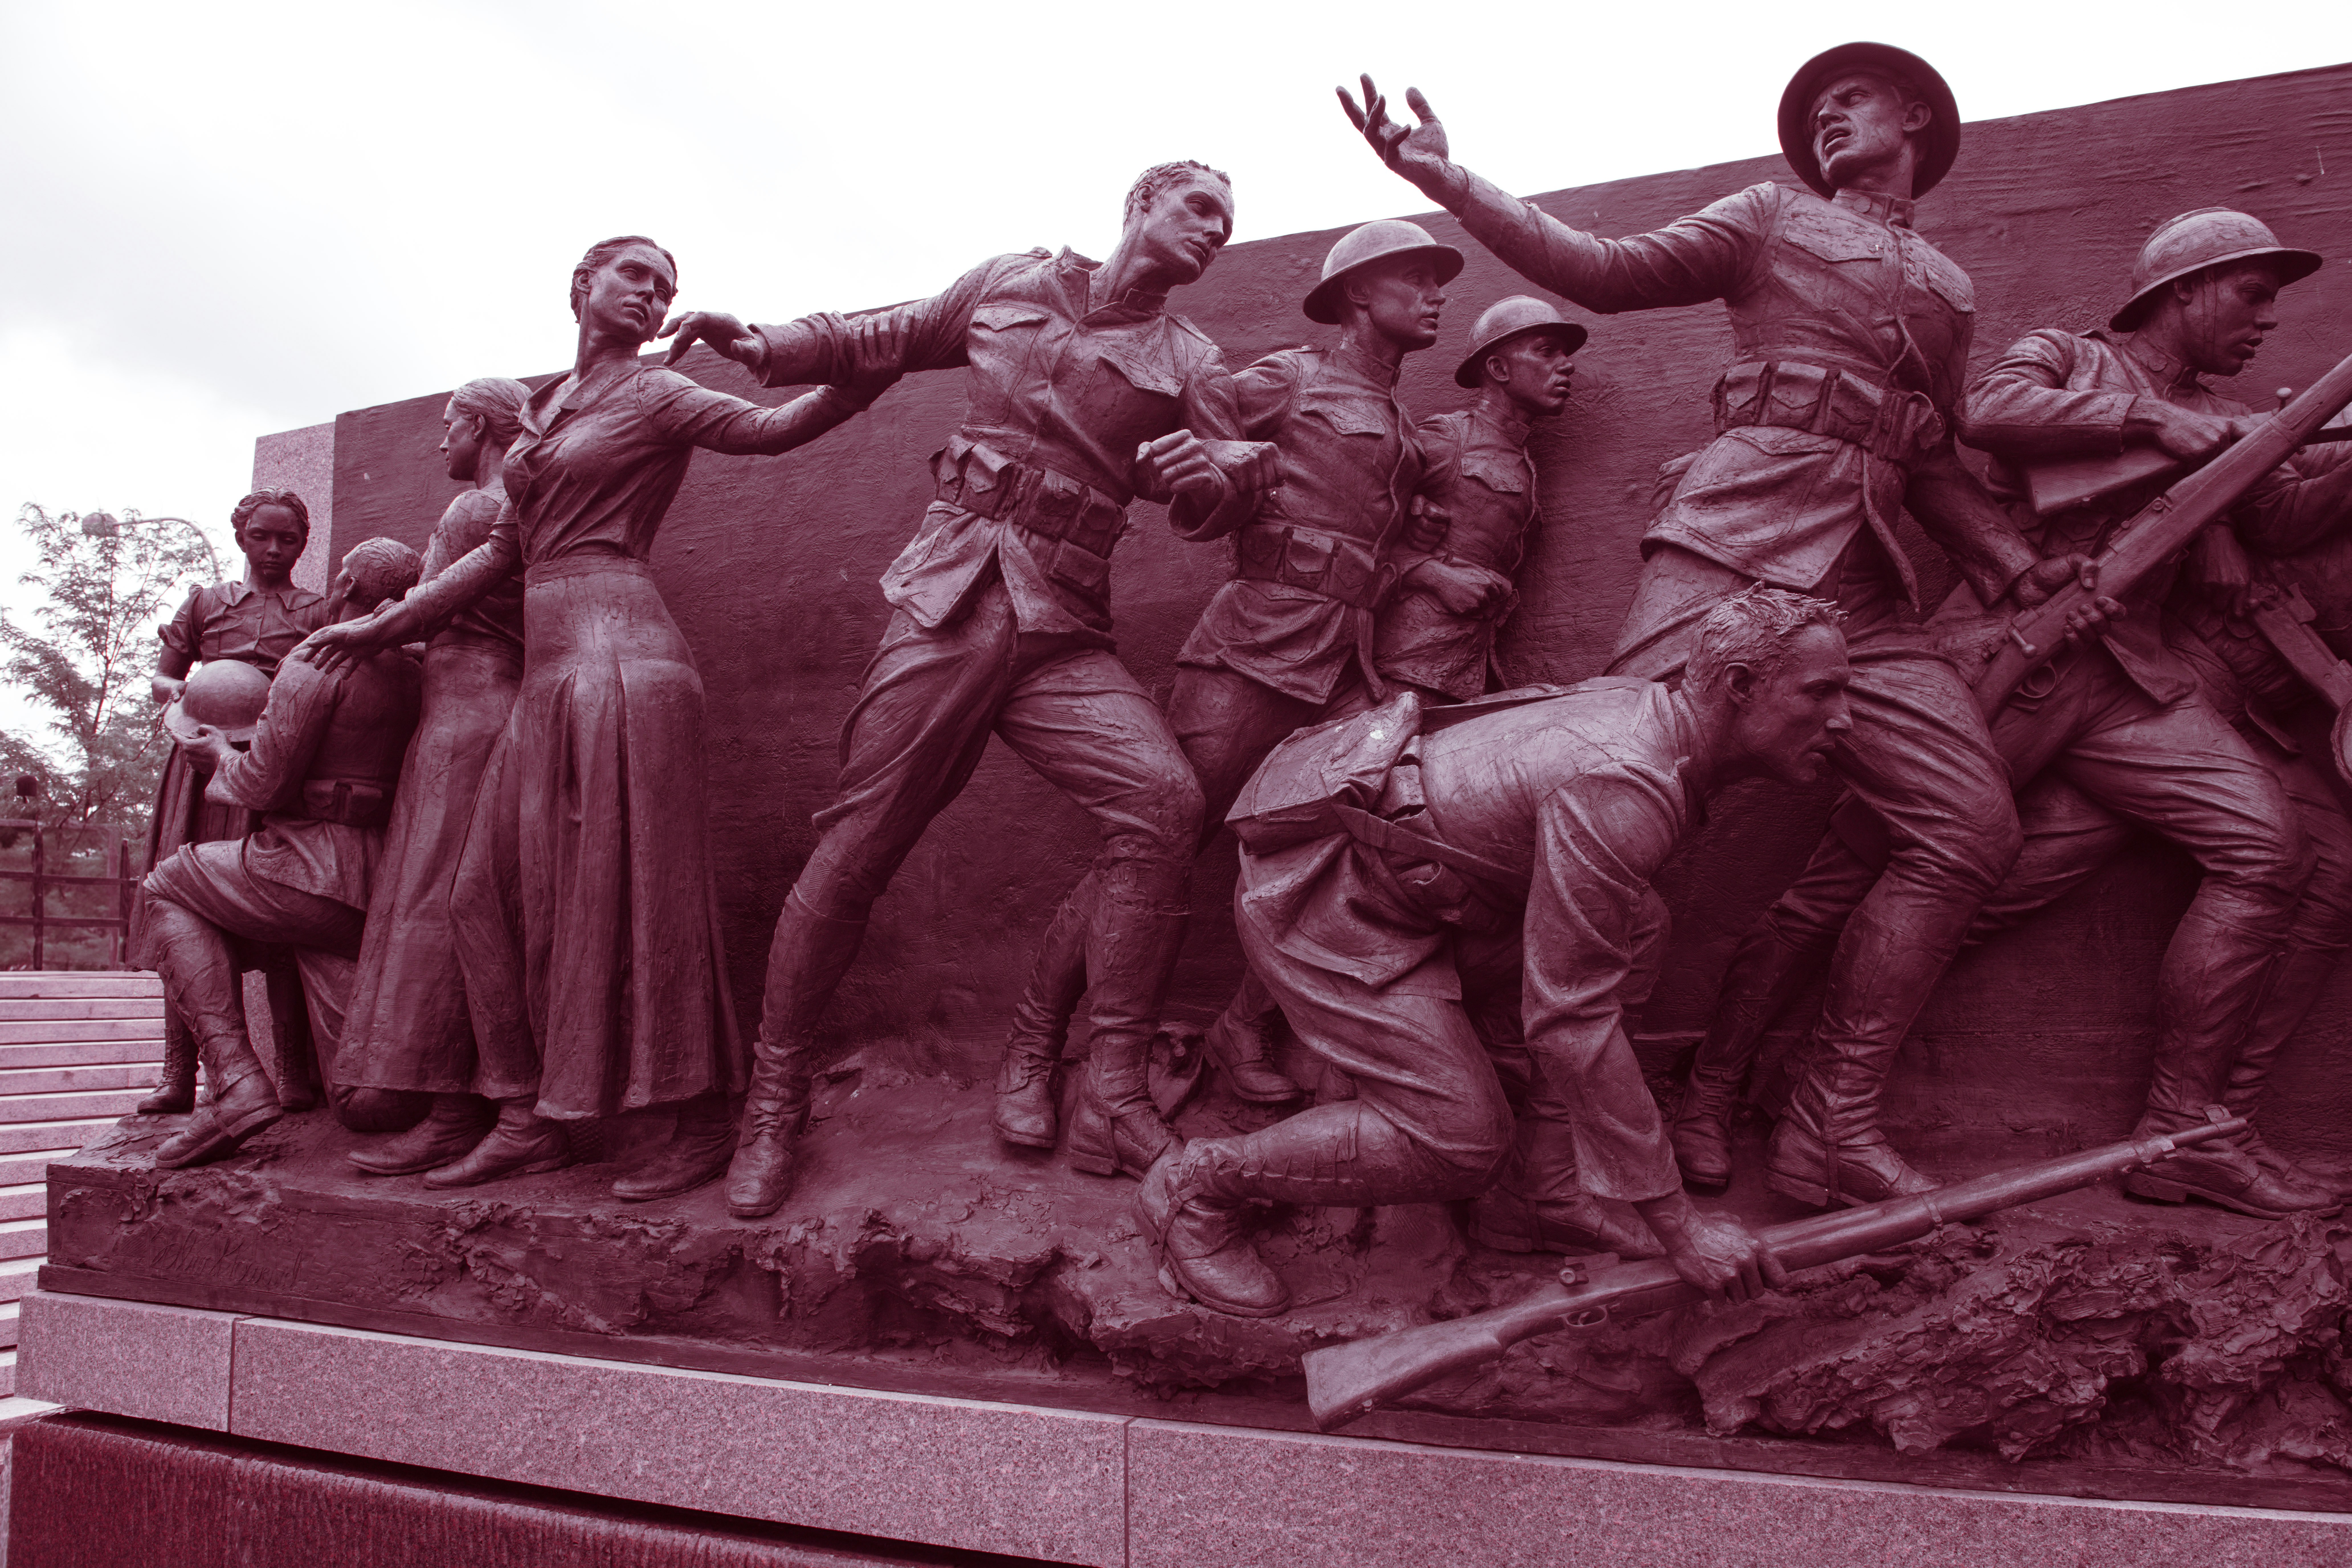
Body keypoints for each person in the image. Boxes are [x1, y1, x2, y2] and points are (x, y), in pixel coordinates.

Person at [1342, 43, 2091, 1207]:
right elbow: (1599, 270)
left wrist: (2011, 565)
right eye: (1815, 108)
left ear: (1916, 117)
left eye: (1852, 99)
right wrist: (1449, 180)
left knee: (1969, 829)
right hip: (1731, 553)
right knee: (1610, 796)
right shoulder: (1768, 217)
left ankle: (1827, 1124)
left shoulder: (1947, 287)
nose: (1829, 117)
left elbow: (1932, 455)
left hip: (1864, 595)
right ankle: (1543, 1140)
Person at [1673, 210, 2352, 1217]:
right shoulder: (2069, 357)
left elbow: (2281, 515)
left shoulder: (2228, 416)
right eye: (2250, 294)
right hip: (2007, 657)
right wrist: (2151, 425)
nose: (2265, 319)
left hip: (2127, 679)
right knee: (1836, 888)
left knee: (2267, 848)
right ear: (2183, 291)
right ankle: (1715, 1090)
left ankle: (2182, 1131)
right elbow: (1989, 409)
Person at [656, 165, 1276, 1217]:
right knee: (859, 844)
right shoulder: (1011, 282)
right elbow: (884, 335)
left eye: (1228, 222)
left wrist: (1219, 477)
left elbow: (1214, 494)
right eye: (1199, 209)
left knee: (1165, 803)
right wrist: (759, 342)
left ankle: (1100, 1082)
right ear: (1140, 205)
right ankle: (773, 1097)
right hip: (949, 601)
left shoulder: (1192, 358)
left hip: (1063, 629)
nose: (1215, 231)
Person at [300, 236, 887, 1201]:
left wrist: (859, 357)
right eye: (635, 277)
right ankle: (525, 1116)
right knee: (481, 898)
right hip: (552, 670)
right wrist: (387, 625)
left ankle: (697, 1117)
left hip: (625, 659)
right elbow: (501, 552)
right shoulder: (545, 414)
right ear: (583, 286)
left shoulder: (660, 393)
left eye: (666, 287)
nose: (652, 295)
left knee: (645, 895)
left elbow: (773, 429)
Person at [1140, 588, 1846, 1316]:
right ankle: (1197, 1186)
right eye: (1820, 692)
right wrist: (1681, 1228)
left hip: (1427, 893)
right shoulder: (1625, 782)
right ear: (1739, 686)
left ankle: (1539, 1194)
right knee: (1463, 1140)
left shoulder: (1654, 717)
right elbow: (1571, 1022)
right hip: (1329, 902)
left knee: (1639, 926)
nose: (1843, 718)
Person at [991, 220, 1515, 1169]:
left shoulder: (1402, 425)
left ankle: (1245, 1032)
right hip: (1254, 653)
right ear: (1359, 294)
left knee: (1338, 858)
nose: (1435, 296)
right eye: (1415, 279)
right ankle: (1033, 1047)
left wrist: (1428, 574)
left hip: (1345, 668)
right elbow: (1172, 445)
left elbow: (1365, 536)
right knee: (1155, 847)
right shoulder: (1290, 379)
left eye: (1437, 284)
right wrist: (1198, 474)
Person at [142, 538, 425, 1167]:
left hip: (306, 866)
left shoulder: (318, 659)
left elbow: (261, 785)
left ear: (346, 589)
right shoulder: (415, 670)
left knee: (168, 884)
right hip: (380, 882)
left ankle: (237, 1086)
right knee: (361, 1100)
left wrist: (219, 756)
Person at [340, 377, 533, 1176]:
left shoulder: (475, 510)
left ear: (481, 427)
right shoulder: (508, 504)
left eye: (450, 425)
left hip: (466, 723)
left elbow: (424, 613)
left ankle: (457, 1111)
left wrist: (349, 636)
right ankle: (462, 1105)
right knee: (444, 905)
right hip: (471, 713)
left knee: (438, 908)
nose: (440, 441)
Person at [136, 490, 331, 1115]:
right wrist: (184, 693)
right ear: (242, 537)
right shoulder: (206, 603)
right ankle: (180, 1074)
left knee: (276, 911)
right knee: (182, 914)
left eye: (288, 540)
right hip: (198, 767)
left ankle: (293, 1070)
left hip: (270, 767)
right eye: (261, 537)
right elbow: (164, 674)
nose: (273, 550)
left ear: (302, 544)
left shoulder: (319, 610)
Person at [1378, 295, 1583, 702]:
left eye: (1565, 354)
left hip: (1464, 674)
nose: (1567, 365)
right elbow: (1350, 526)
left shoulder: (1522, 461)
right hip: (1404, 671)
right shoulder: (1449, 439)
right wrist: (1431, 574)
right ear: (1499, 369)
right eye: (1547, 352)